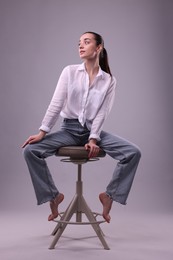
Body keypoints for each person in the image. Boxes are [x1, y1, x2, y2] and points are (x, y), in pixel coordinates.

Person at [22, 31, 141, 223]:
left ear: (98, 47)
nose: (81, 46)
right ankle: (53, 196)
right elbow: (56, 104)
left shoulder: (109, 80)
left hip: (92, 130)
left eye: (86, 42)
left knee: (133, 153)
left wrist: (93, 138)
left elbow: (102, 113)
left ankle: (109, 196)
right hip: (68, 130)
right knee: (30, 151)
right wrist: (42, 132)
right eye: (79, 43)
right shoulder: (69, 71)